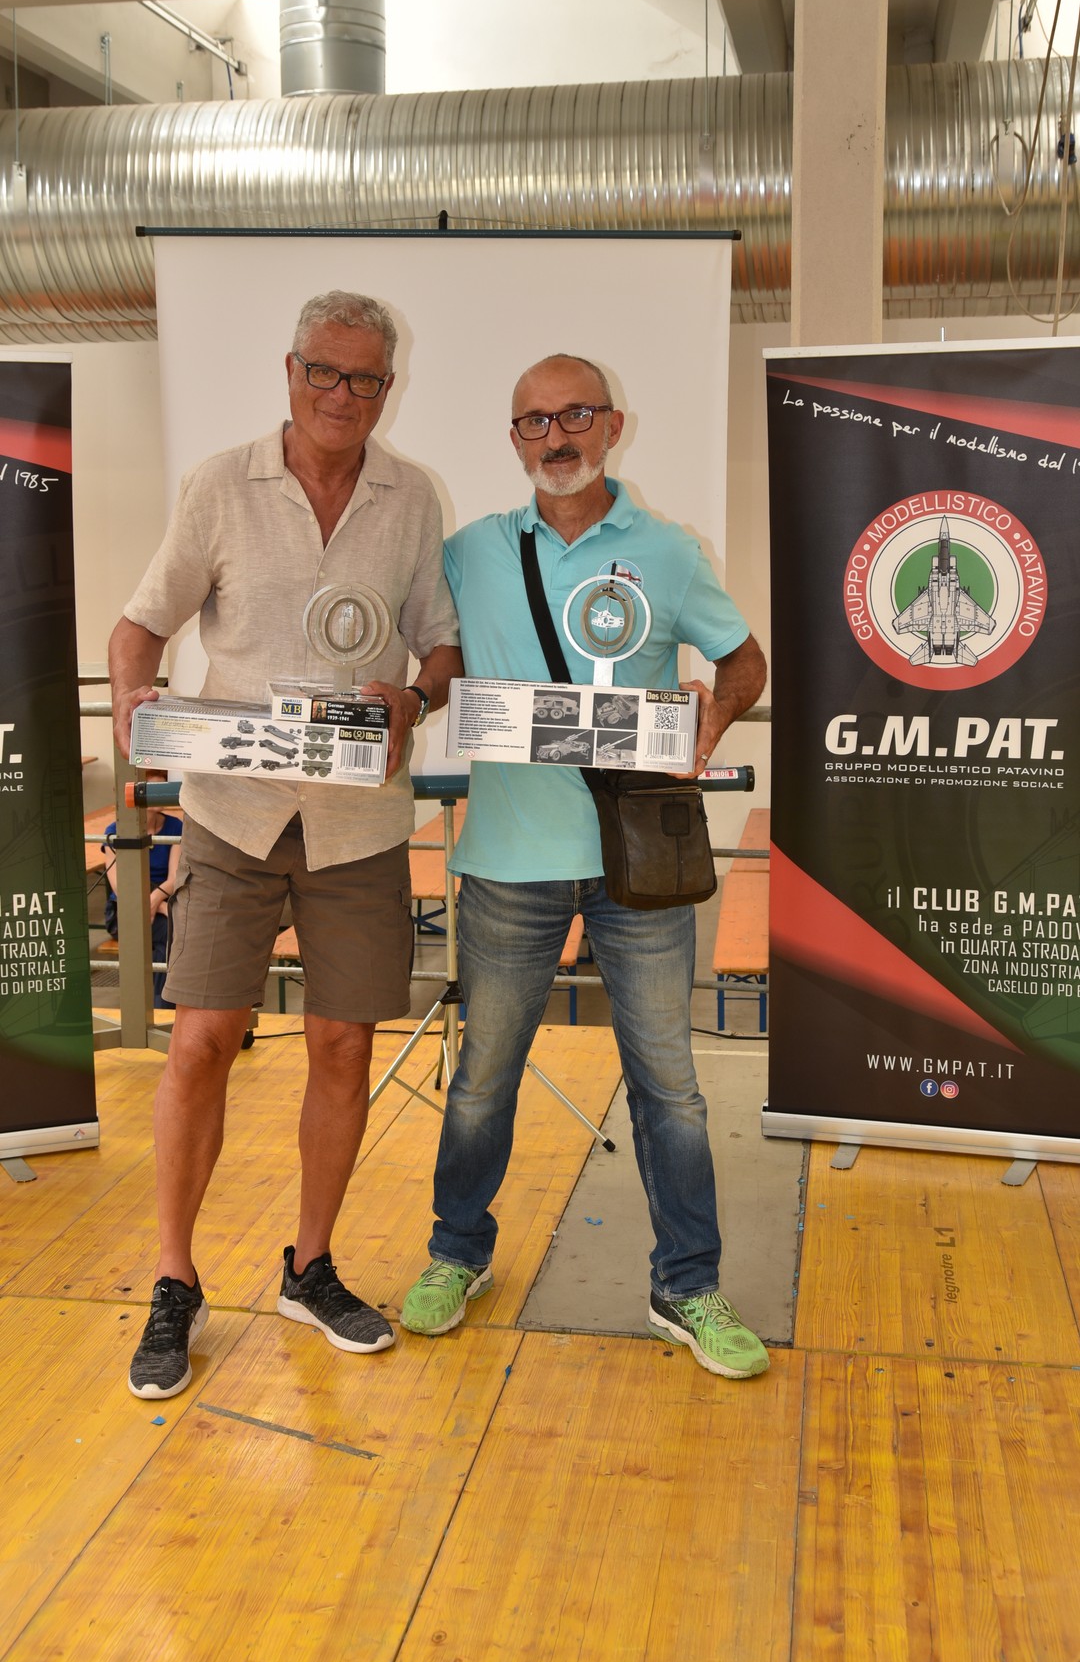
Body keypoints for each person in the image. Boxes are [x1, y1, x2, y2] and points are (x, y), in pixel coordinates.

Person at [110, 290, 462, 1400]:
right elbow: (139, 626)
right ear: (291, 370)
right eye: (325, 372)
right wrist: (133, 707)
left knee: (343, 1048)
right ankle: (175, 1280)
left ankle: (309, 1269)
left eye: (365, 379)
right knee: (201, 1042)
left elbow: (441, 646)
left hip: (357, 822)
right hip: (233, 811)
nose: (342, 395)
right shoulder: (220, 485)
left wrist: (414, 697)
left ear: (388, 388)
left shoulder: (414, 497)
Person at [400, 353, 770, 1381]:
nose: (555, 437)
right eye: (534, 421)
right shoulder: (471, 552)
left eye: (575, 416)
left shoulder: (668, 550)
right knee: (482, 1081)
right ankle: (456, 1255)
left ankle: (687, 1286)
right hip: (507, 863)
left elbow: (744, 660)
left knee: (672, 1090)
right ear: (514, 437)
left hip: (636, 867)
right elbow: (432, 653)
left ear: (613, 424)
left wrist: (711, 718)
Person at [101, 770, 182, 1007]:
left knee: (172, 933)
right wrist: (160, 907)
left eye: (164, 788)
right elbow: (121, 888)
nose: (161, 794)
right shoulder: (115, 831)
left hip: (163, 903)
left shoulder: (175, 826)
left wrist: (157, 901)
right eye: (155, 789)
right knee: (171, 931)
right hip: (126, 910)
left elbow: (174, 878)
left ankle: (159, 1006)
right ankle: (164, 1006)